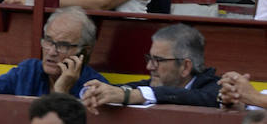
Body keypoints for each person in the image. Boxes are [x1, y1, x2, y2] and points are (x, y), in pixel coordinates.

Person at [84, 24, 219, 111]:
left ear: (185, 67)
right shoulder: (154, 84)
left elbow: (200, 97)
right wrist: (94, 92)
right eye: (150, 58)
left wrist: (134, 96)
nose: (149, 66)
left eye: (158, 60)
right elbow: (121, 91)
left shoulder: (217, 89)